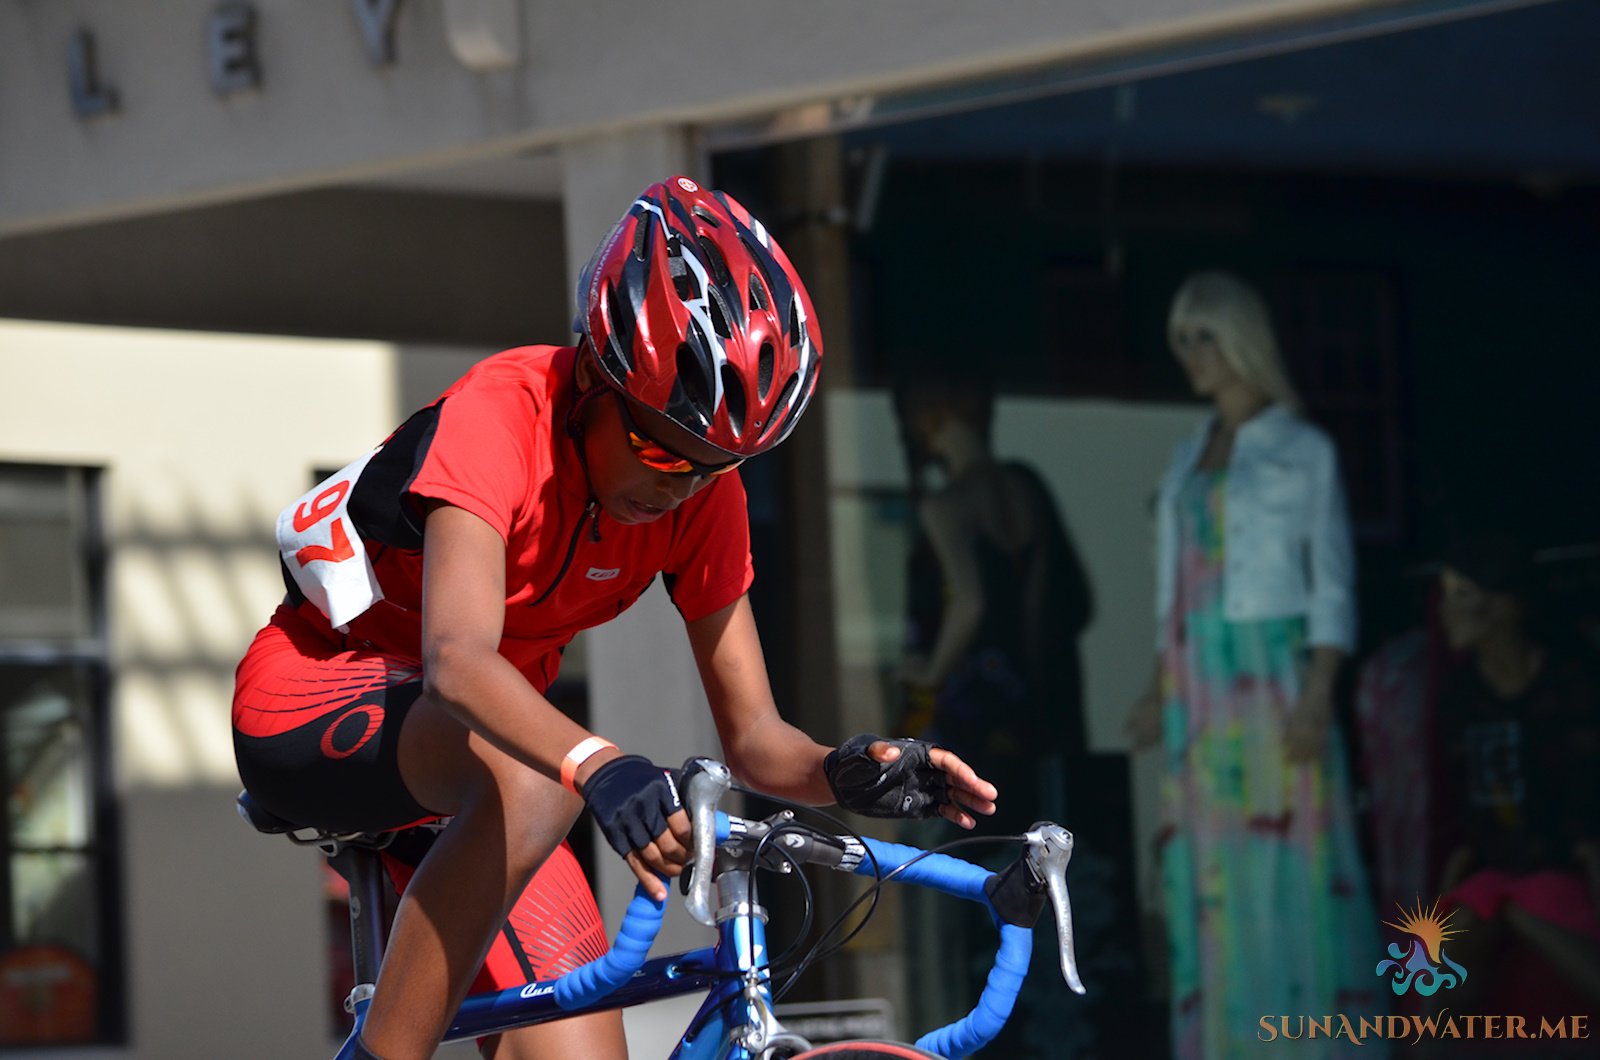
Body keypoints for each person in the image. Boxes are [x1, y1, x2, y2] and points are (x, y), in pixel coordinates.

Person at [231, 176, 998, 1060]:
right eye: (656, 448)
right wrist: (599, 765)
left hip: (503, 773)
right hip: (326, 698)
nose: (677, 485)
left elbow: (755, 742)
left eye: (711, 466)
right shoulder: (501, 414)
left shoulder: (700, 496)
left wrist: (843, 769)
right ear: (595, 375)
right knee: (537, 779)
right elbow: (455, 660)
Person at [1124, 270, 1380, 1058]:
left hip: (1270, 678)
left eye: (1204, 337)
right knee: (1209, 865)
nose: (1192, 356)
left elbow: (1332, 583)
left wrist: (1319, 690)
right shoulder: (1186, 455)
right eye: (1182, 341)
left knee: (1287, 858)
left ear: (1241, 339)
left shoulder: (1302, 450)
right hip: (1197, 688)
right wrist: (1159, 681)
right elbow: (1179, 583)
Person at [1431, 529, 1600, 1009]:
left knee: (1529, 913)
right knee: (1439, 969)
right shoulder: (1459, 693)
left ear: (1505, 605)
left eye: (1462, 596)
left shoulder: (1571, 680)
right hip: (1493, 871)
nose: (1446, 610)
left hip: (1558, 866)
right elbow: (1466, 805)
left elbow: (1586, 799)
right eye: (1444, 596)